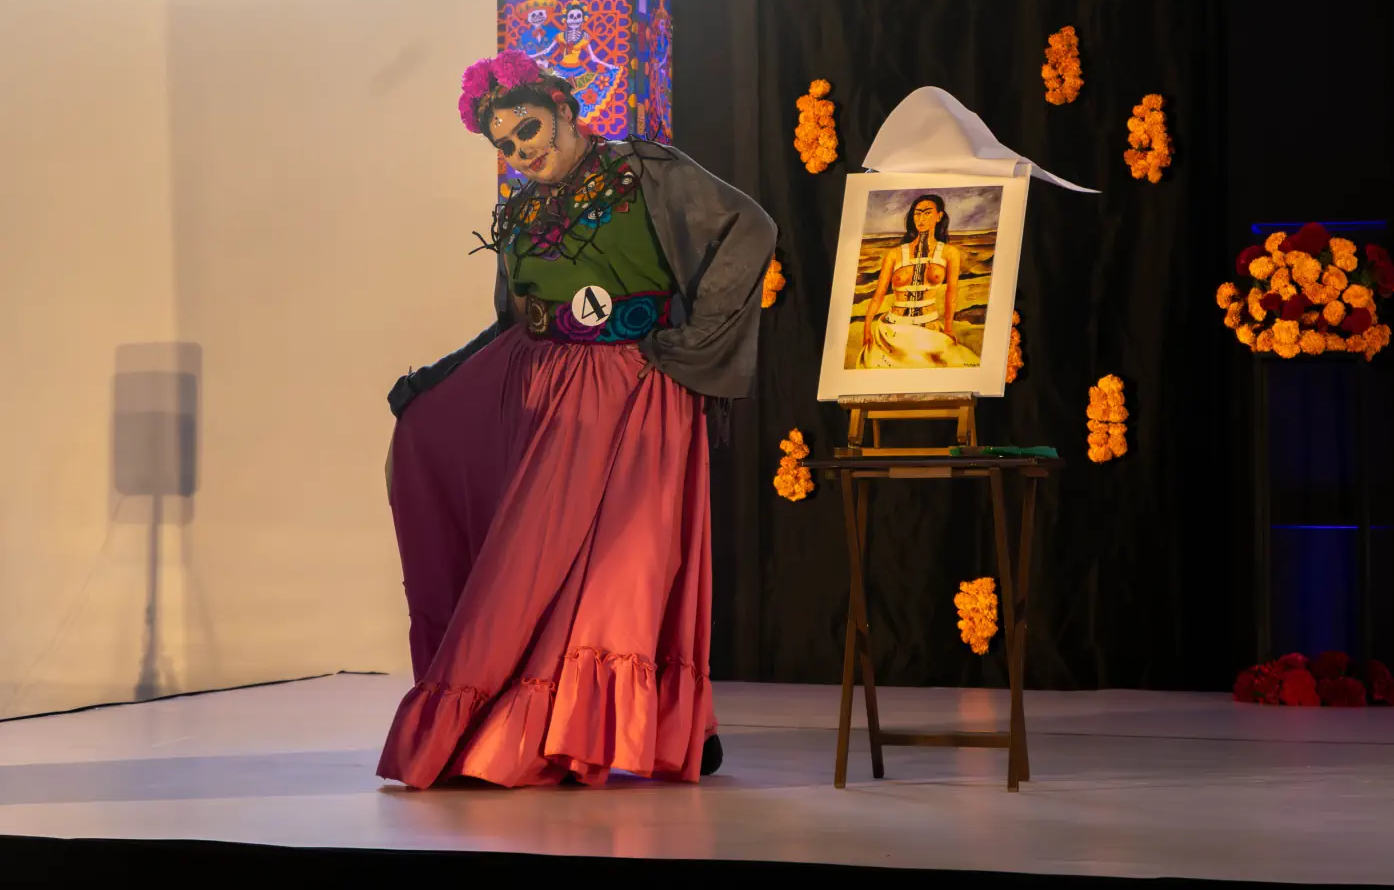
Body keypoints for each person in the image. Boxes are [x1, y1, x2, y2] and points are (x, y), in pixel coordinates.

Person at [377, 49, 775, 789]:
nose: (521, 151)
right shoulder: (522, 211)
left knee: (627, 567)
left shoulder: (645, 171)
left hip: (633, 389)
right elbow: (512, 320)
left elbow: (748, 228)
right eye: (505, 144)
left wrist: (694, 343)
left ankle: (665, 725)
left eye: (528, 129)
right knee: (533, 570)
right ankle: (558, 724)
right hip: (542, 395)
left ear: (563, 108)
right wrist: (440, 379)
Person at [857, 194, 979, 368]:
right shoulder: (895, 254)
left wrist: (949, 328)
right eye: (917, 213)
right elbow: (879, 294)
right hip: (892, 331)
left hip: (929, 329)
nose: (921, 218)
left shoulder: (950, 253)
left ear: (939, 216)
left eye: (927, 213)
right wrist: (867, 326)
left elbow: (951, 293)